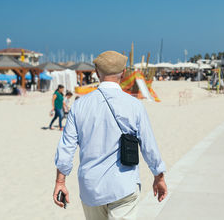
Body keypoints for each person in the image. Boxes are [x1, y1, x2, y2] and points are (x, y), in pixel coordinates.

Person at [53, 51, 167, 220]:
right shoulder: (135, 105)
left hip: (91, 187)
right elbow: (148, 145)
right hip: (124, 185)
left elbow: (66, 148)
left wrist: (60, 182)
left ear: (97, 72)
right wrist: (159, 176)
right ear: (123, 73)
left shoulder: (79, 106)